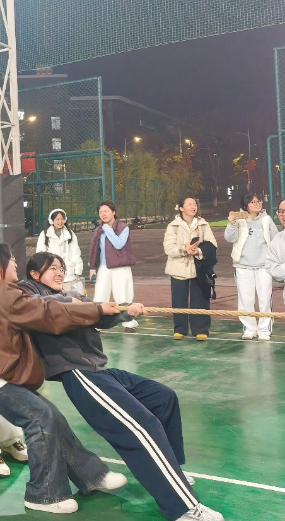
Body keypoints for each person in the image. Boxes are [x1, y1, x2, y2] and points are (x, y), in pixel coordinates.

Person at [21, 251, 224, 521]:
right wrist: (75, 303)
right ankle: (183, 508)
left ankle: (171, 471)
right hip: (78, 373)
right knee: (141, 427)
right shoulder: (28, 293)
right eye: (52, 269)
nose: (59, 273)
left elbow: (99, 315)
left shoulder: (73, 295)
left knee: (163, 397)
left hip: (99, 369)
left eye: (61, 268)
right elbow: (42, 307)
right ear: (35, 274)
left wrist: (126, 311)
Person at [0, 242, 127, 513]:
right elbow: (47, 313)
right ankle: (44, 494)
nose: (15, 264)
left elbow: (42, 305)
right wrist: (97, 310)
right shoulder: (0, 294)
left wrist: (87, 306)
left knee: (50, 415)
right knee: (40, 417)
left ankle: (91, 474)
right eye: (11, 260)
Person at [225, 193, 278, 341]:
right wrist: (232, 223)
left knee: (265, 299)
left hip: (263, 266)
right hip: (243, 266)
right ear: (245, 205)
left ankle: (264, 330)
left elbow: (275, 239)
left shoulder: (266, 219)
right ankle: (250, 329)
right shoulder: (239, 219)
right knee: (245, 299)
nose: (257, 204)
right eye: (253, 202)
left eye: (258, 201)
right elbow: (229, 238)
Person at [164, 197, 218, 340]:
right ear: (181, 208)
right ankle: (180, 329)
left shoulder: (203, 224)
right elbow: (169, 248)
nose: (193, 207)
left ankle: (201, 329)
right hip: (178, 269)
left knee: (200, 299)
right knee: (179, 300)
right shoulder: (173, 226)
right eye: (189, 204)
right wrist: (184, 249)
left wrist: (198, 251)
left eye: (194, 204)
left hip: (198, 269)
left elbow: (212, 244)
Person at [88, 200, 138, 332]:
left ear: (113, 212)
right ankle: (98, 324)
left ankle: (129, 323)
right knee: (100, 295)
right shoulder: (99, 230)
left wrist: (107, 229)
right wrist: (92, 268)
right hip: (104, 267)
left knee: (123, 295)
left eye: (106, 211)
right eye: (100, 212)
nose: (103, 214)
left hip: (120, 266)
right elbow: (94, 249)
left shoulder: (123, 228)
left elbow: (119, 244)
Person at [36, 208, 83, 292]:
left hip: (68, 274)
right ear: (52, 220)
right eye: (57, 219)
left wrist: (78, 271)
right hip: (51, 273)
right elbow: (40, 254)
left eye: (62, 219)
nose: (60, 222)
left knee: (70, 296)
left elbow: (76, 253)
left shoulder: (70, 234)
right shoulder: (44, 235)